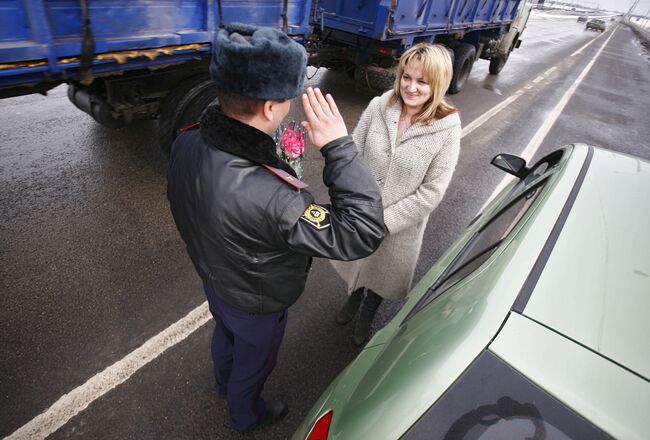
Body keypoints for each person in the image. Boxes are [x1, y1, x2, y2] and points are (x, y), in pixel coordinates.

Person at [166, 23, 384, 433]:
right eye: (288, 98)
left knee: (226, 339)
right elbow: (361, 231)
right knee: (254, 362)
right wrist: (338, 146)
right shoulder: (276, 197)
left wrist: (272, 159)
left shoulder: (189, 140)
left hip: (216, 280)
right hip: (257, 300)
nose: (291, 106)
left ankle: (221, 384)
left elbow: (190, 203)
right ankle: (245, 415)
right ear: (269, 107)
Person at [331, 43, 461, 345]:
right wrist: (351, 200)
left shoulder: (447, 128)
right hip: (361, 215)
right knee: (359, 265)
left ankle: (367, 312)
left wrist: (385, 221)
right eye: (407, 77)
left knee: (382, 275)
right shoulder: (380, 105)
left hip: (399, 226)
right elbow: (353, 150)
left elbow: (432, 191)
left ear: (437, 84)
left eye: (422, 82)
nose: (411, 88)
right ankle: (353, 299)